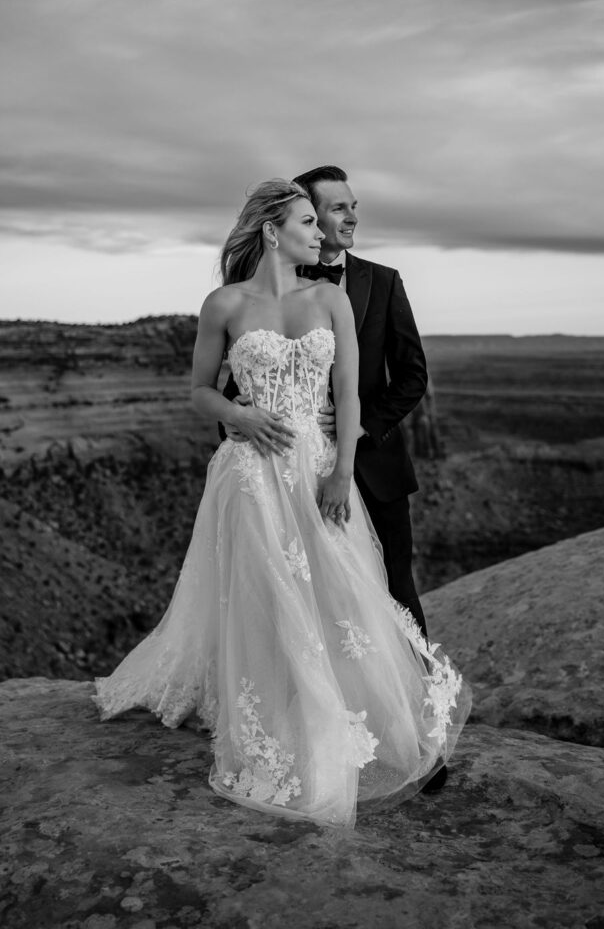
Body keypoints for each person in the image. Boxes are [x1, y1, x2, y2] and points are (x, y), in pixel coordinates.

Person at [94, 179, 470, 828]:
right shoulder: (224, 303)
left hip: (321, 468)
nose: (320, 233)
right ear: (273, 229)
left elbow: (349, 396)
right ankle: (281, 719)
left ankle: (361, 719)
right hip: (249, 474)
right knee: (266, 598)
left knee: (342, 595)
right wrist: (239, 415)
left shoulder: (331, 299)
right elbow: (198, 392)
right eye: (307, 222)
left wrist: (340, 472)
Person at [221, 165, 430, 640]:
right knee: (293, 592)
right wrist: (236, 421)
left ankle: (415, 701)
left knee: (395, 587)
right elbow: (244, 377)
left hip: (374, 469)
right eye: (338, 209)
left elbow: (413, 375)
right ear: (304, 218)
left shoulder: (384, 281)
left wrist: (360, 425)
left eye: (353, 206)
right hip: (284, 468)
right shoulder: (252, 291)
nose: (352, 217)